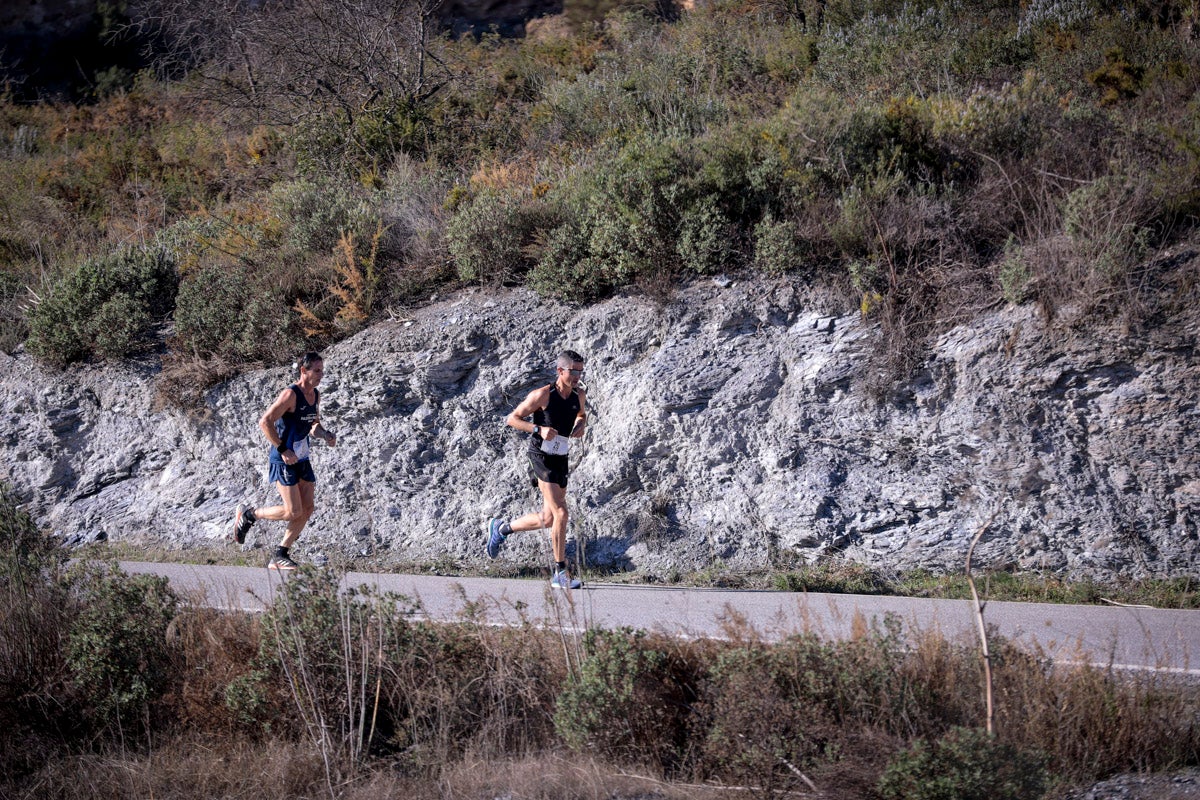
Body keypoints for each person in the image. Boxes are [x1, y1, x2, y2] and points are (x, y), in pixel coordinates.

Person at [486, 349, 588, 589]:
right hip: (540, 456)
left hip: (561, 457)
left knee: (548, 518)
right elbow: (512, 418)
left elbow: (581, 415)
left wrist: (581, 424)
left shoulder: (579, 394)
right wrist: (538, 429)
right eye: (573, 371)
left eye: (581, 371)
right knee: (561, 513)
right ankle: (560, 573)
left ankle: (501, 529)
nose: (577, 376)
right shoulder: (542, 395)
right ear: (560, 370)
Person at [232, 352, 336, 570]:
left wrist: (325, 434)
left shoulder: (315, 395)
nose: (321, 375)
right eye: (317, 370)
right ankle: (250, 515)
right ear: (303, 371)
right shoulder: (290, 394)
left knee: (307, 508)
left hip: (302, 458)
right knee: (292, 512)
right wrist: (283, 449)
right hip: (283, 460)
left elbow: (313, 424)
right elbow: (265, 422)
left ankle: (280, 554)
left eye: (322, 370)